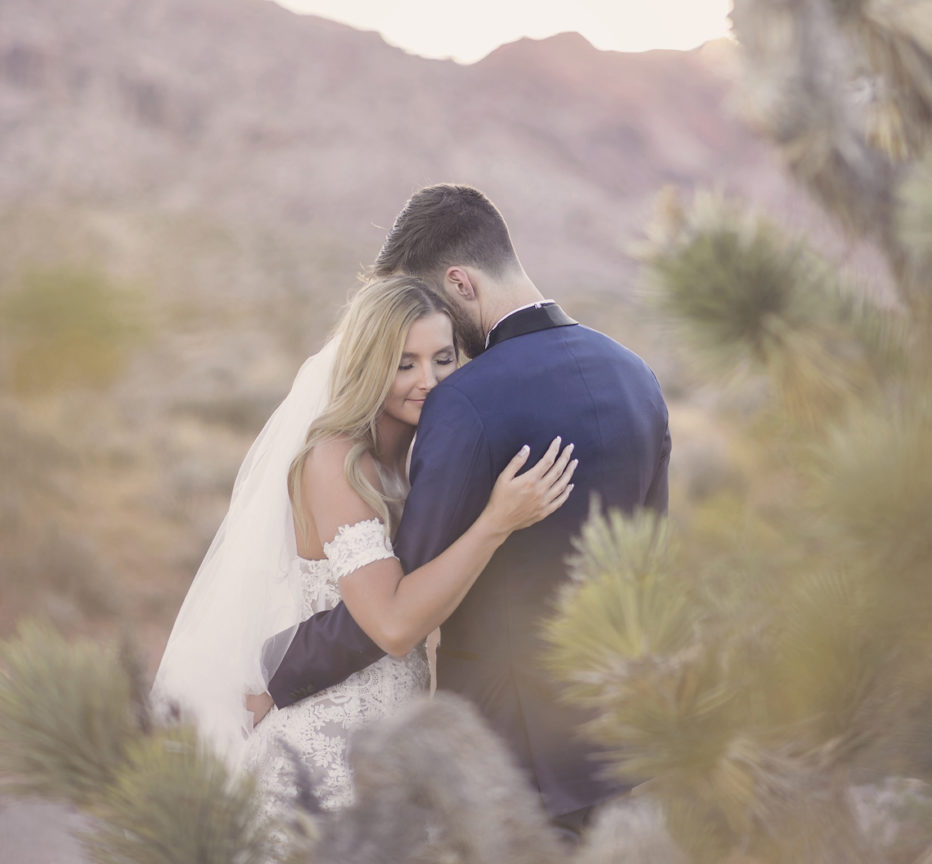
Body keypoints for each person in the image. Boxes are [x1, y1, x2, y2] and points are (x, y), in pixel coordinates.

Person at [263, 184, 671, 842]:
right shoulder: (637, 376)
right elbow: (650, 561)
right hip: (616, 741)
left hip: (504, 756)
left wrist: (275, 668)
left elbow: (399, 599)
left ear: (460, 282)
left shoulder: (468, 399)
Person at [152, 274, 573, 819]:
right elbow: (393, 625)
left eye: (443, 358)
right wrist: (496, 522)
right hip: (327, 754)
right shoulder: (336, 461)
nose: (430, 380)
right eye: (405, 363)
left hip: (394, 747)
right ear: (367, 364)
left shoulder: (418, 463)